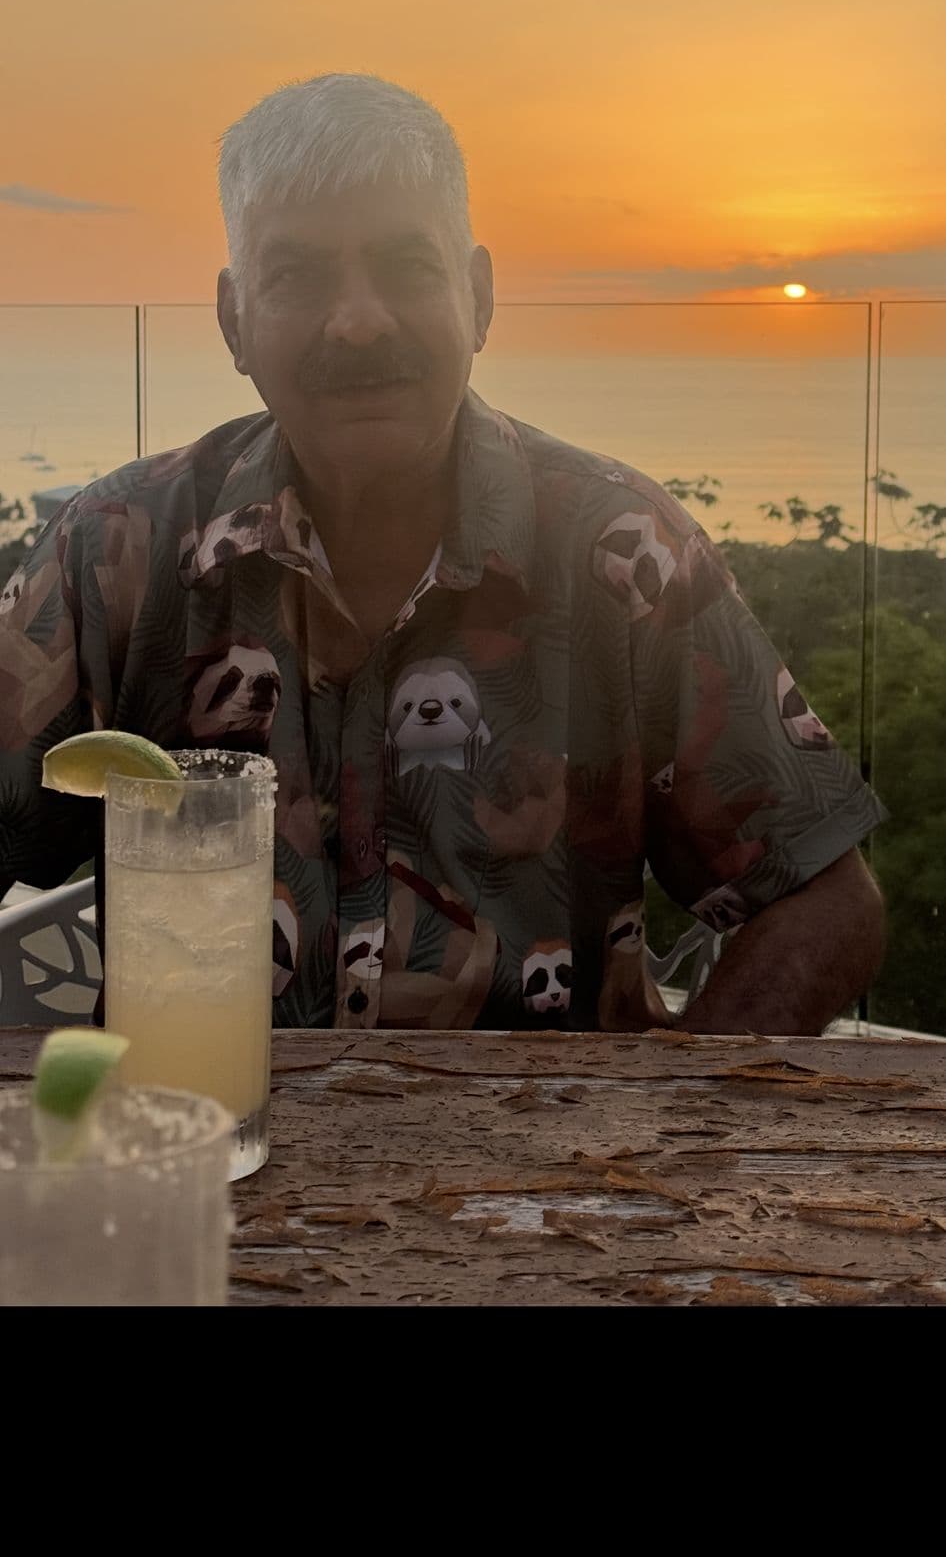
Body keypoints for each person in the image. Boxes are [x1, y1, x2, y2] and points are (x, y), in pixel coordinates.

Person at [0, 74, 886, 1033]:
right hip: (201, 1157)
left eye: (406, 268)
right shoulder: (117, 551)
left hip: (555, 1173)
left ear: (478, 297)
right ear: (233, 321)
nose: (359, 320)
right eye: (297, 276)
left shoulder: (620, 552)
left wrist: (669, 1133)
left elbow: (827, 901)